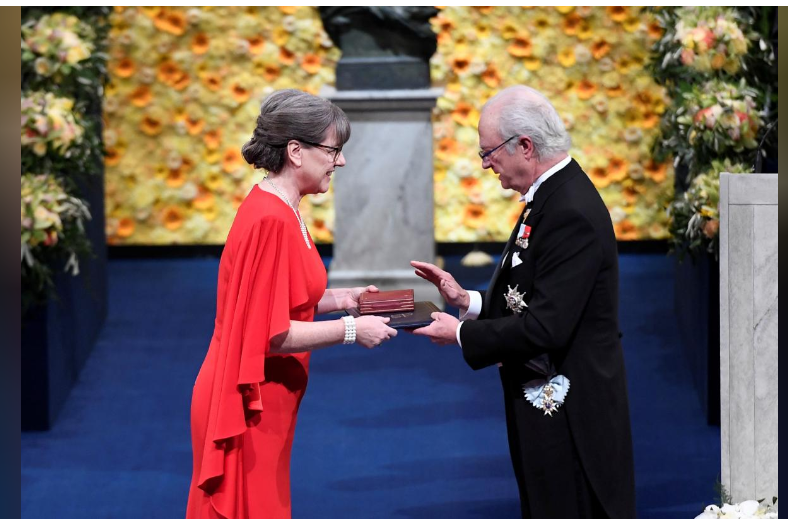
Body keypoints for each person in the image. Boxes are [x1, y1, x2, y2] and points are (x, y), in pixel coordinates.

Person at [411, 85, 635, 518]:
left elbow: (547, 326)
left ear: (526, 146)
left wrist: (460, 333)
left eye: (488, 151)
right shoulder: (552, 194)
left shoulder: (569, 209)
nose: (485, 164)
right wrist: (469, 301)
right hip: (547, 393)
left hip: (572, 412)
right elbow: (533, 292)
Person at [186, 89, 397, 519]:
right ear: (296, 151)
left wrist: (343, 300)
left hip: (268, 400)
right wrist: (352, 330)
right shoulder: (270, 219)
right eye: (334, 150)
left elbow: (279, 299)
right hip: (246, 403)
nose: (341, 162)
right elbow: (271, 333)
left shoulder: (282, 206)